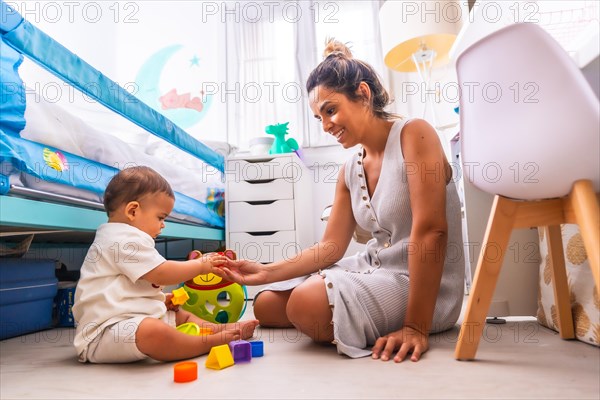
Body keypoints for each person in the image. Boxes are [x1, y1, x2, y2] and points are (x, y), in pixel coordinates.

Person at [215, 40, 464, 362]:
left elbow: (432, 230)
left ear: (363, 94)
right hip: (377, 268)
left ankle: (393, 314)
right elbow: (330, 248)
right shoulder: (349, 168)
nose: (326, 125)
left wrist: (415, 327)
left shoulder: (414, 134)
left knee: (305, 305)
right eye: (319, 117)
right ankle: (330, 302)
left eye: (330, 110)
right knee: (266, 305)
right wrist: (265, 272)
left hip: (422, 282)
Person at [72, 166, 258, 363]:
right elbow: (161, 273)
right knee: (152, 331)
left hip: (127, 320)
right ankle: (209, 342)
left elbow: (129, 291)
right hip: (104, 333)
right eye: (160, 217)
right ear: (133, 211)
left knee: (178, 315)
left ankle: (214, 329)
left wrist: (161, 300)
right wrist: (201, 266)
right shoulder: (121, 240)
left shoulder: (126, 239)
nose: (163, 224)